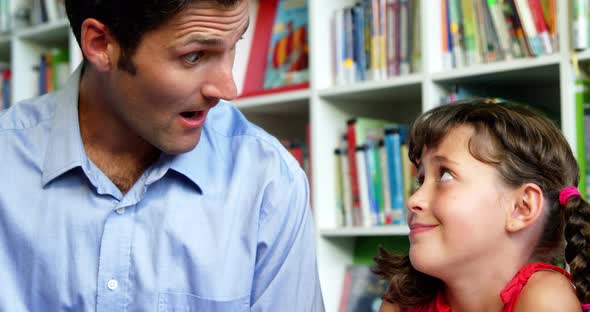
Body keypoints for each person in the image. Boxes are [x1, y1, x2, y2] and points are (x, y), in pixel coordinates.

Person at [0, 0, 324, 311]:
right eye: (194, 56)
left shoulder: (270, 180)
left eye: (234, 45)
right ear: (100, 44)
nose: (228, 89)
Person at [373, 99, 589, 312]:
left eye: (445, 175)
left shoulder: (547, 299)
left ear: (522, 207)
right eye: (421, 180)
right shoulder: (400, 301)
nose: (413, 200)